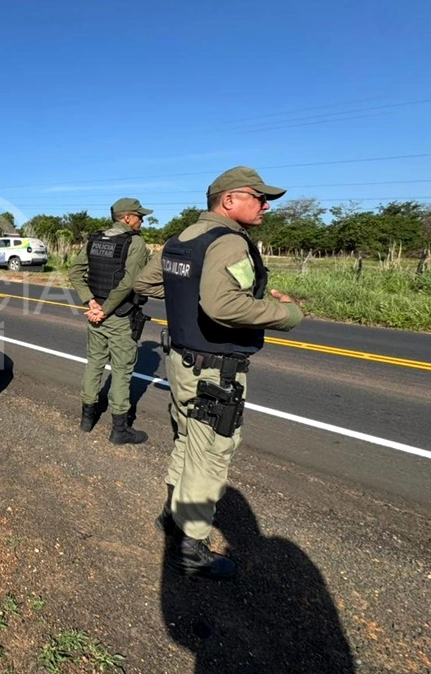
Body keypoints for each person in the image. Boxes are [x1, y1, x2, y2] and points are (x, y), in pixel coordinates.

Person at [134, 166, 303, 579]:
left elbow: (146, 282)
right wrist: (286, 313)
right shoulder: (228, 243)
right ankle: (191, 548)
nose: (265, 206)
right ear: (229, 200)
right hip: (215, 369)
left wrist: (187, 294)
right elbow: (224, 306)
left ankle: (171, 518)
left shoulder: (183, 238)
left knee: (187, 438)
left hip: (182, 361)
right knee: (211, 452)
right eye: (258, 197)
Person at [68, 197, 153, 445]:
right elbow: (129, 283)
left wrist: (90, 302)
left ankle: (87, 420)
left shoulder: (95, 239)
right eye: (139, 216)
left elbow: (75, 272)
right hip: (119, 314)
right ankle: (119, 430)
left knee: (94, 363)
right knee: (122, 370)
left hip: (96, 313)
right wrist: (103, 309)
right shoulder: (135, 243)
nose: (142, 220)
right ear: (127, 217)